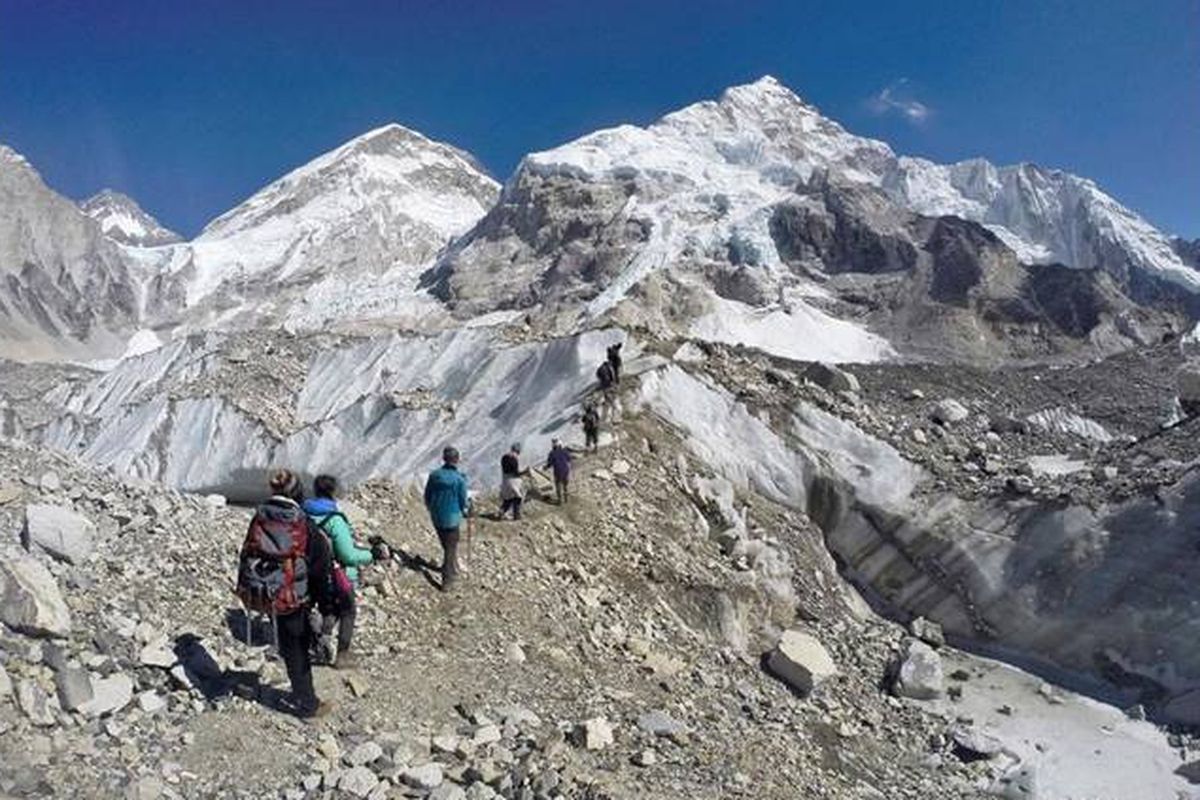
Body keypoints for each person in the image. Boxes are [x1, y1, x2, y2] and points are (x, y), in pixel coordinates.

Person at [237, 469, 332, 718]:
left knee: (288, 641)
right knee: (298, 648)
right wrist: (326, 604)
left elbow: (248, 553)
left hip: (266, 590)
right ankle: (308, 703)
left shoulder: (259, 518)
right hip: (294, 596)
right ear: (297, 492)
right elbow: (320, 566)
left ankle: (302, 692)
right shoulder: (302, 524)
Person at [302, 475, 373, 669]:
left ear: (315, 491)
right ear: (333, 493)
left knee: (327, 608)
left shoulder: (302, 515)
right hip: (335, 575)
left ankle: (319, 640)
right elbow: (348, 555)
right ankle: (342, 655)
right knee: (348, 610)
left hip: (308, 574)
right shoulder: (334, 520)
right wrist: (371, 555)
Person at [423, 446, 471, 591]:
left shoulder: (434, 475)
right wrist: (466, 510)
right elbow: (463, 500)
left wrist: (431, 507)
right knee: (450, 548)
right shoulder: (459, 479)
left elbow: (427, 495)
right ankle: (447, 579)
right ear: (457, 459)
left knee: (446, 544)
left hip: (436, 515)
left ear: (444, 459)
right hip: (452, 517)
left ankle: (452, 567)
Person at [499, 443, 528, 520]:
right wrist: (525, 472)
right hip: (513, 481)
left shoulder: (504, 458)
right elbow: (516, 472)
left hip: (505, 481)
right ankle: (516, 515)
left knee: (508, 499)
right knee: (517, 498)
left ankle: (502, 511)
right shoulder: (514, 459)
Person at [545, 438, 572, 505]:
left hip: (558, 472)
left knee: (558, 485)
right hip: (566, 470)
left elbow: (549, 464)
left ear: (553, 446)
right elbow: (569, 459)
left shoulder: (551, 453)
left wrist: (545, 467)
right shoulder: (564, 451)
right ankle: (566, 498)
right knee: (565, 485)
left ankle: (560, 501)